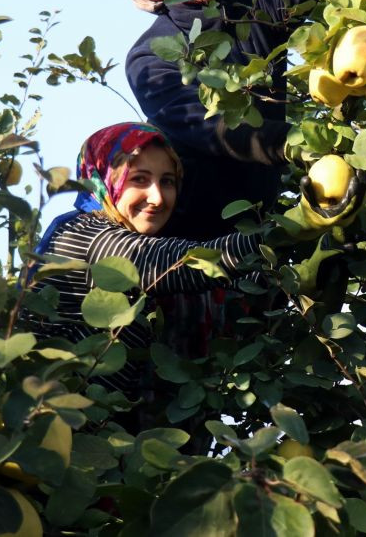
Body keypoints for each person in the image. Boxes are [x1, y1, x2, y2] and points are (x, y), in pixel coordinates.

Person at [124, 0, 364, 240]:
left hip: (260, 239)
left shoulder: (254, 8)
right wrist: (292, 143)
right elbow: (207, 124)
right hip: (183, 244)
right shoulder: (149, 58)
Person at [18, 122, 263, 400]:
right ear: (104, 180)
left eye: (167, 182)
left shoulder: (142, 261)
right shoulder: (81, 234)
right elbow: (166, 264)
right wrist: (279, 235)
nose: (157, 198)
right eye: (139, 179)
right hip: (49, 427)